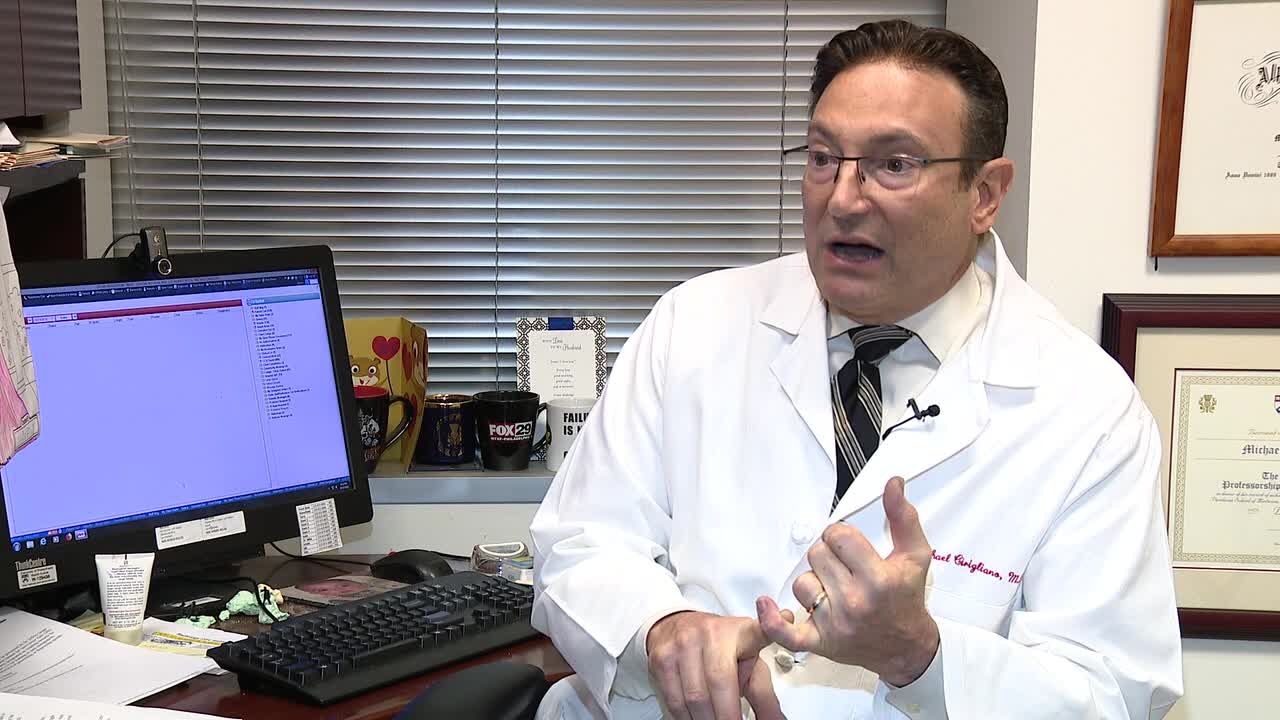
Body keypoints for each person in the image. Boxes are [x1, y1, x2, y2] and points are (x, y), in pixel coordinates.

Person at [530, 19, 1183, 720]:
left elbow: (1110, 693)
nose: (841, 199)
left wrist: (921, 656)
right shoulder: (693, 325)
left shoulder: (1088, 412)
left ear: (985, 194)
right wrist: (661, 629)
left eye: (894, 164)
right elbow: (578, 542)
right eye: (822, 158)